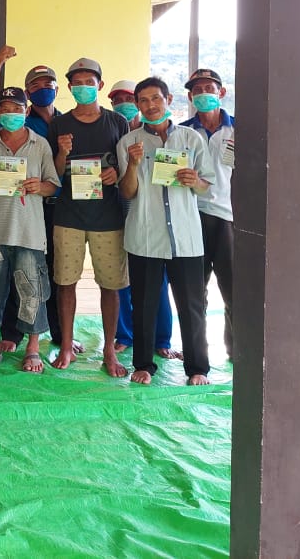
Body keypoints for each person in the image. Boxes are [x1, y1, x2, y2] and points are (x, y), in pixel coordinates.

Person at [118, 77, 215, 386]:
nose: (151, 105)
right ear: (138, 105)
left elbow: (206, 185)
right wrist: (132, 165)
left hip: (186, 237)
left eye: (156, 98)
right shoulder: (128, 142)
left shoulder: (191, 138)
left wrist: (195, 180)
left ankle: (197, 367)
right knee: (143, 306)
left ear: (168, 99)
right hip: (145, 236)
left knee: (192, 306)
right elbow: (128, 192)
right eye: (144, 101)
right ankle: (143, 365)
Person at [0, 46, 73, 354]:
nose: (43, 88)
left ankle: (58, 335)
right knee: (12, 272)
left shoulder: (64, 122)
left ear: (57, 89)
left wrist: (49, 180)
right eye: (35, 85)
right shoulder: (21, 121)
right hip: (15, 212)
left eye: (48, 83)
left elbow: (54, 176)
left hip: (55, 208)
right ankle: (12, 334)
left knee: (47, 273)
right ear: (27, 94)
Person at [49, 58, 131, 378]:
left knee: (110, 286)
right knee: (65, 283)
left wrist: (115, 172)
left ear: (100, 85)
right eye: (77, 83)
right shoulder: (59, 124)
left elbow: (126, 166)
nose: (83, 87)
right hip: (68, 215)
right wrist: (62, 153)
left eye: (89, 82)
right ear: (70, 88)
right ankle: (66, 346)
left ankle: (109, 349)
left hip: (108, 217)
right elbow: (53, 174)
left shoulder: (117, 122)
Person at [0, 88, 61, 373]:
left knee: (32, 291)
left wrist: (39, 186)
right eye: (5, 109)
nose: (10, 114)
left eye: (16, 108)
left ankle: (32, 349)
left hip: (30, 232)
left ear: (26, 111)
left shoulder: (40, 144)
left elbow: (53, 185)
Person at [109, 79, 179, 360]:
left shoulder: (160, 133)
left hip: (155, 217)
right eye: (117, 100)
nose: (123, 104)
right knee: (123, 277)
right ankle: (125, 334)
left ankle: (162, 338)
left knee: (158, 280)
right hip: (119, 212)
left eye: (128, 99)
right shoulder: (114, 132)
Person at [181, 67, 236, 360]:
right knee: (193, 290)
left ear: (221, 92)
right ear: (190, 97)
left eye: (209, 89)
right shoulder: (183, 133)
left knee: (233, 289)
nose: (203, 94)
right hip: (192, 216)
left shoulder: (239, 129)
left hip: (228, 219)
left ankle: (236, 350)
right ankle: (195, 351)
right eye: (197, 90)